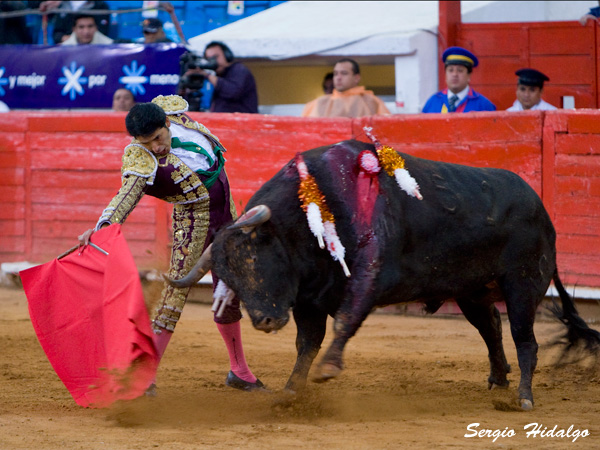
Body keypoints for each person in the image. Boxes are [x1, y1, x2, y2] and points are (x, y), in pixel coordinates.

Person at [77, 95, 264, 393]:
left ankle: (239, 371)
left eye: (157, 138)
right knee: (172, 300)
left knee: (228, 293)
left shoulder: (178, 118)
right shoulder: (141, 158)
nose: (155, 147)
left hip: (226, 220)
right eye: (146, 142)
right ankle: (144, 378)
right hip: (193, 228)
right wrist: (102, 226)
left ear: (166, 123)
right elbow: (126, 195)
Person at [179, 41, 258, 113]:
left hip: (243, 124)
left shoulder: (239, 69)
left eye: (215, 57)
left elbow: (232, 91)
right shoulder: (216, 75)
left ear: (227, 55)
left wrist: (207, 75)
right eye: (209, 59)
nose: (213, 62)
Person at [302, 59, 390, 118]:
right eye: (336, 73)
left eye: (344, 73)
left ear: (356, 78)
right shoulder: (319, 103)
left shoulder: (372, 102)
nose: (338, 77)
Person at [422, 46, 496, 113]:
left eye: (460, 70)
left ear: (469, 75)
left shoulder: (483, 105)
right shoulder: (433, 102)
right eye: (450, 70)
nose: (454, 74)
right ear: (445, 74)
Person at [39, 1, 110, 44]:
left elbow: (103, 31)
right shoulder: (62, 5)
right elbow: (57, 34)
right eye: (81, 27)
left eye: (90, 26)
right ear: (74, 28)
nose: (86, 32)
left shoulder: (100, 5)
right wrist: (69, 39)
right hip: (71, 47)